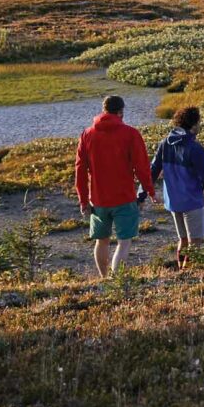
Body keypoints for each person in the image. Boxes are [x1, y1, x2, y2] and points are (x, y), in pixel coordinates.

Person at [74, 94, 155, 279]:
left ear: (104, 110)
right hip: (124, 197)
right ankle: (116, 280)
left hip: (98, 199)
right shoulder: (131, 134)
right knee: (124, 242)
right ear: (120, 111)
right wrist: (150, 191)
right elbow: (142, 167)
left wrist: (83, 201)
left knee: (101, 241)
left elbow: (80, 170)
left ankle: (103, 278)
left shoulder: (87, 134)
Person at [150, 106, 204, 268]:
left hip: (174, 201)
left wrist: (145, 192)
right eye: (199, 122)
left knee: (183, 239)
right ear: (193, 124)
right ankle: (186, 272)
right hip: (191, 200)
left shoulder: (165, 143)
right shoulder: (194, 147)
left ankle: (180, 265)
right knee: (195, 240)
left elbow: (154, 169)